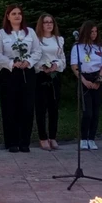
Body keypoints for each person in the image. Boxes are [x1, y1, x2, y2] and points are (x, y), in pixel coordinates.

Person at [0, 5, 42, 153]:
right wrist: (11, 63)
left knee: (26, 107)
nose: (17, 16)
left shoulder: (30, 33)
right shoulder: (2, 34)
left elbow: (37, 51)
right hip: (9, 73)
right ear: (8, 16)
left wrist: (29, 62)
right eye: (13, 14)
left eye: (19, 13)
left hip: (26, 72)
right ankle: (12, 141)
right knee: (10, 107)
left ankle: (24, 141)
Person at [70, 21, 102, 151]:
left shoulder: (99, 48)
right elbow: (74, 66)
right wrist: (84, 81)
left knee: (96, 112)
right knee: (87, 112)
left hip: (96, 78)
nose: (94, 34)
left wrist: (99, 80)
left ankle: (91, 138)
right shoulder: (77, 47)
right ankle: (83, 138)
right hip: (84, 78)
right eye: (91, 32)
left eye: (95, 31)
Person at [34, 14, 66, 151]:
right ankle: (43, 137)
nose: (48, 25)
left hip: (54, 75)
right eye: (45, 22)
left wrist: (56, 65)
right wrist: (43, 66)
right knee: (41, 108)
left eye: (51, 22)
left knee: (54, 108)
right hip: (41, 75)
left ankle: (52, 136)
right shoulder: (37, 40)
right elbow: (34, 58)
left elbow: (62, 59)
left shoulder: (59, 40)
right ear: (41, 24)